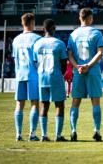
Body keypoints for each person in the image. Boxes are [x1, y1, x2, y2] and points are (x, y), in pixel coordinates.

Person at [67, 8, 103, 142]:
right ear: (90, 18)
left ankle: (73, 131)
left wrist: (77, 66)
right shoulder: (96, 33)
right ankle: (97, 130)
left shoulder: (73, 35)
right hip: (92, 70)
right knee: (95, 101)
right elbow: (100, 53)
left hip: (78, 72)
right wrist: (88, 65)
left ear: (80, 18)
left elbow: (70, 55)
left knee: (75, 102)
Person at [33, 19, 68, 141]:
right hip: (55, 76)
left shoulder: (37, 44)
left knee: (44, 105)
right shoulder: (59, 43)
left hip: (42, 77)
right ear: (54, 29)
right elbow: (64, 63)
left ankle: (43, 135)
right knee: (59, 105)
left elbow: (35, 62)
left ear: (43, 29)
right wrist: (60, 74)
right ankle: (58, 136)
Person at [12, 13, 41, 141]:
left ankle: (18, 134)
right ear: (32, 23)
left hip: (20, 75)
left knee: (19, 104)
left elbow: (15, 59)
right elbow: (38, 60)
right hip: (33, 75)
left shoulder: (16, 40)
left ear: (22, 23)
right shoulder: (37, 39)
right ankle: (32, 134)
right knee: (34, 103)